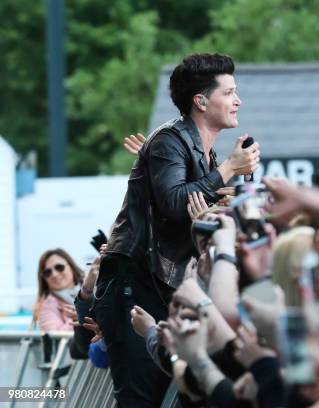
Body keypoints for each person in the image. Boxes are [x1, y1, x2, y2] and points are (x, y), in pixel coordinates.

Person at [94, 53, 260, 407]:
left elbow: (191, 204)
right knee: (141, 400)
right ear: (200, 101)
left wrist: (225, 196)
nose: (238, 100)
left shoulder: (206, 154)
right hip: (134, 281)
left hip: (162, 284)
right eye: (229, 92)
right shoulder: (170, 140)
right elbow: (174, 202)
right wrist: (230, 168)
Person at [34, 248, 83, 332]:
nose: (54, 274)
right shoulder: (46, 306)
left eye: (59, 267)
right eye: (47, 272)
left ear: (71, 266)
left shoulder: (94, 289)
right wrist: (78, 318)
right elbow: (55, 339)